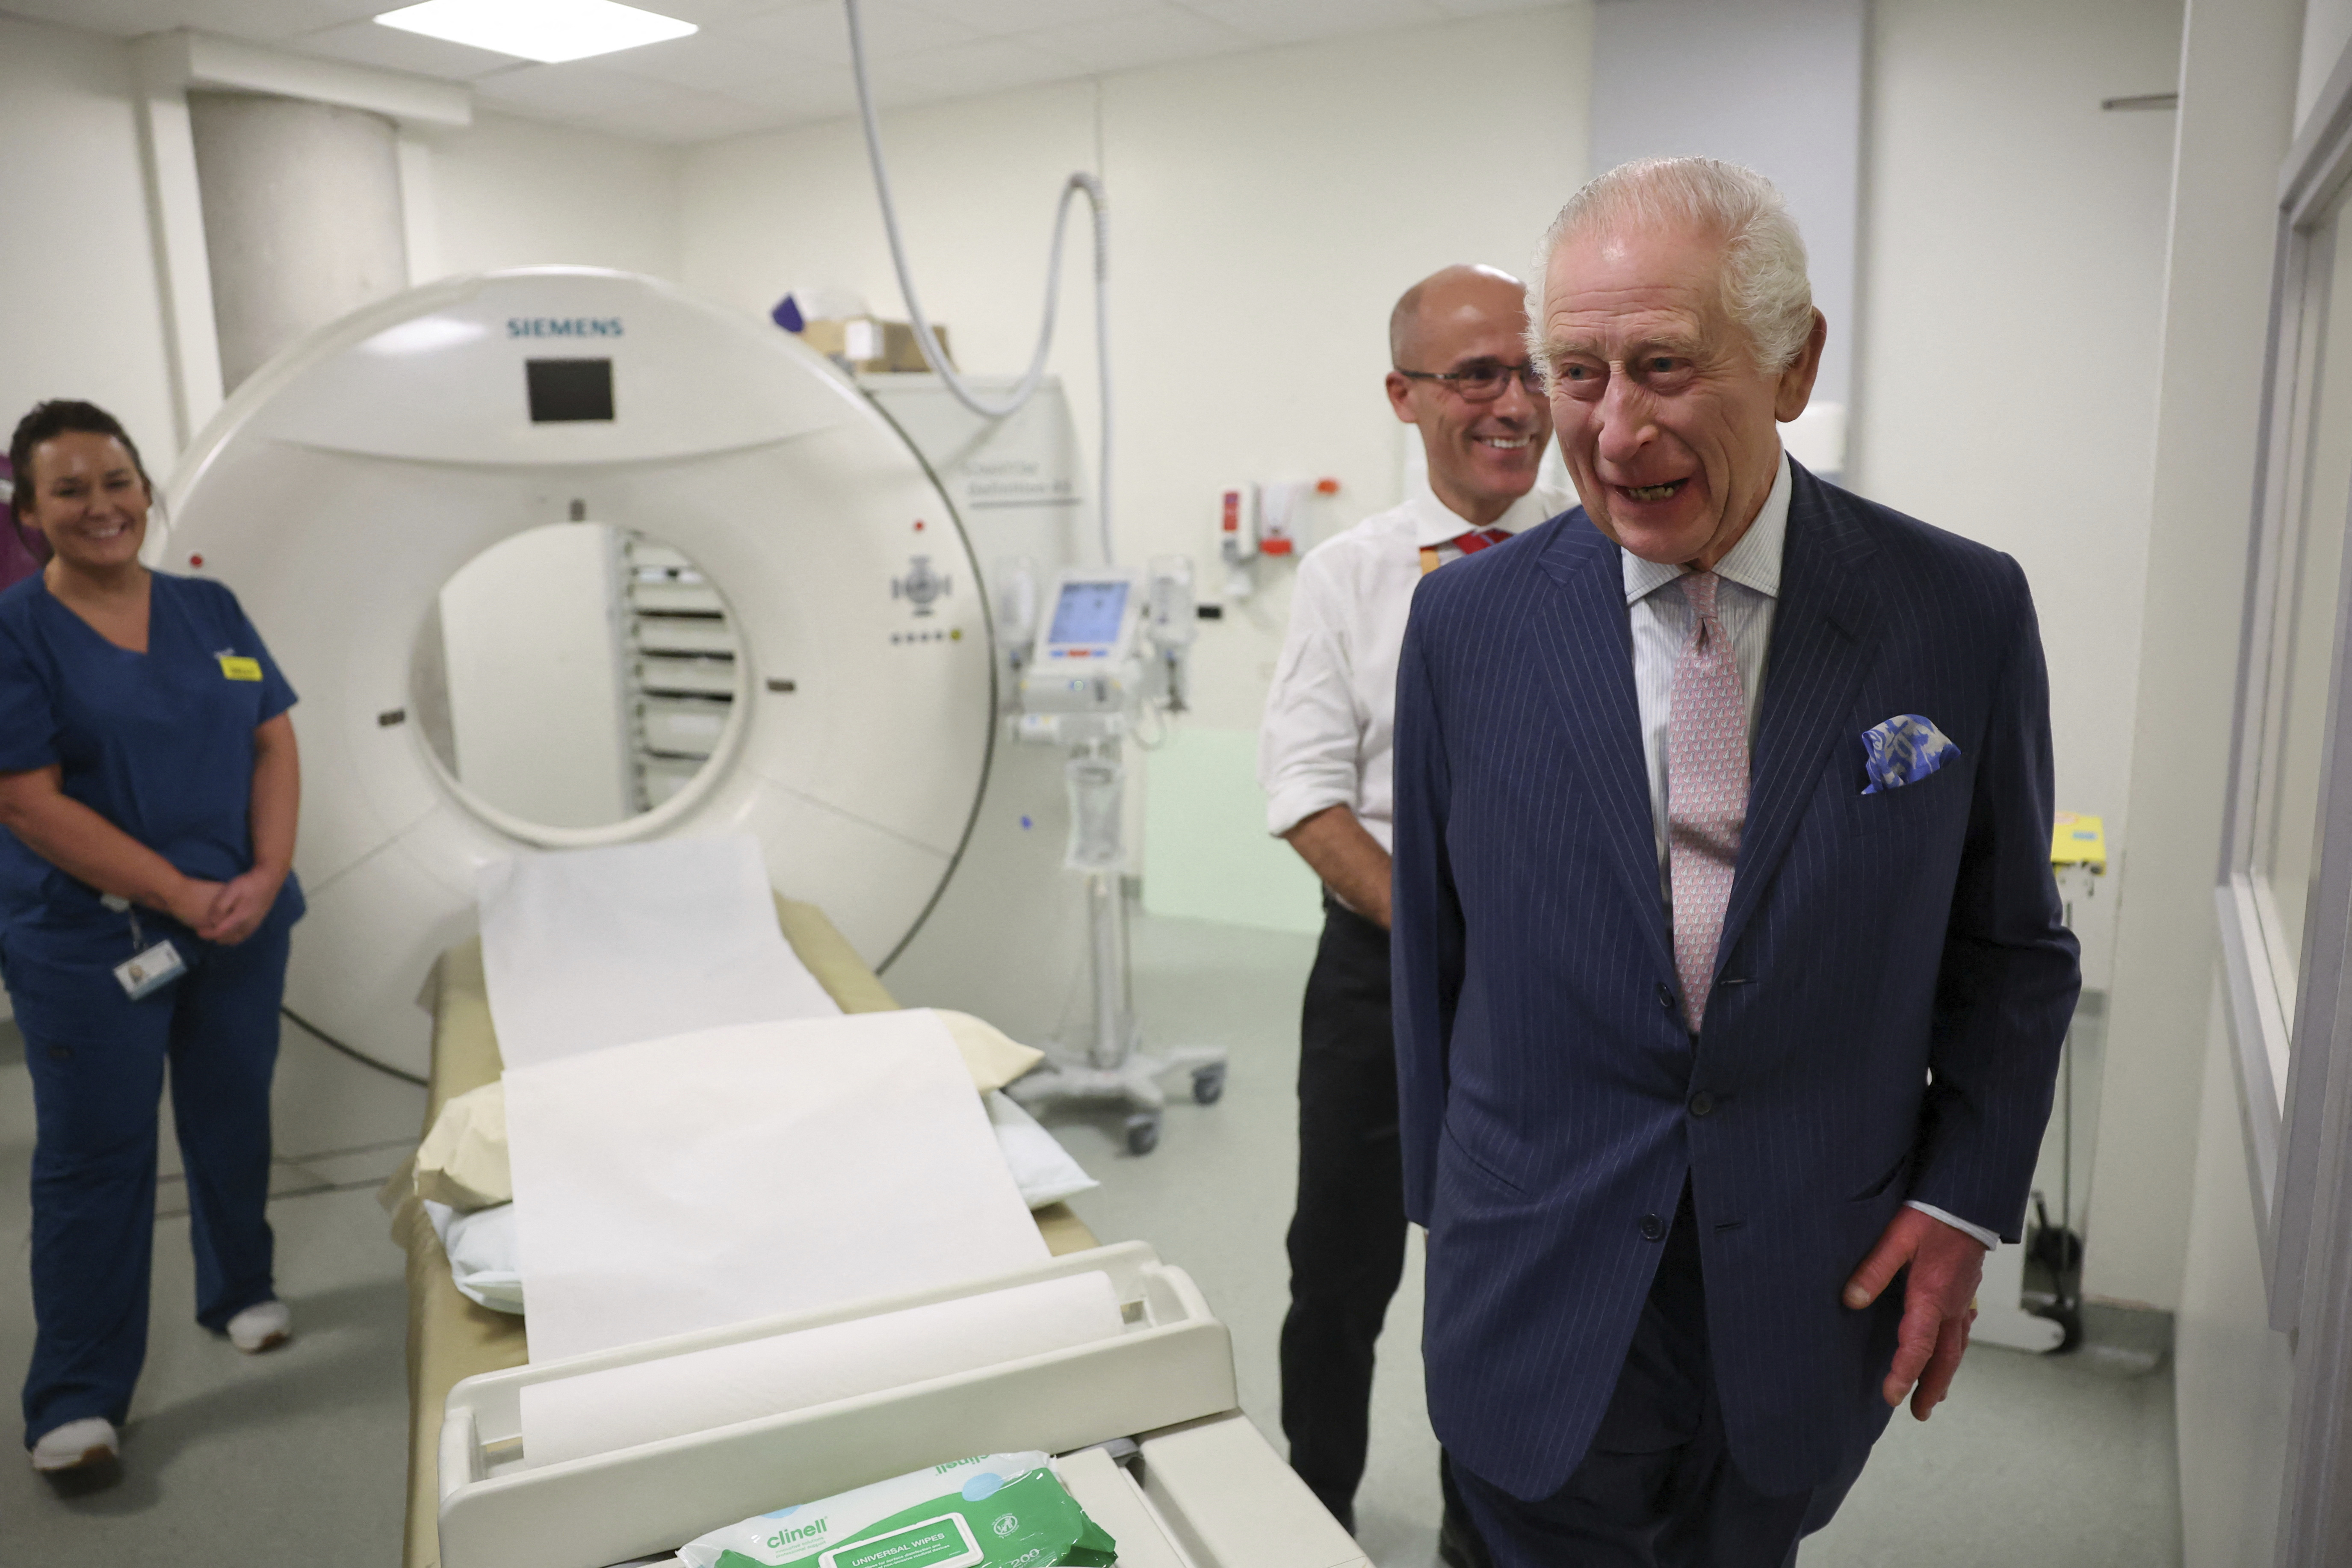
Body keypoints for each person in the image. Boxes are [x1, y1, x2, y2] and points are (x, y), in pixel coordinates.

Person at [1389, 159, 2080, 1566]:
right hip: (1540, 1275)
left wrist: (1962, 1199)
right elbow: (1431, 968)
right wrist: (1452, 1229)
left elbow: (2012, 950)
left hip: (1811, 1276)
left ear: (1791, 361)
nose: (1613, 427)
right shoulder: (1466, 629)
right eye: (1575, 371)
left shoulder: (1957, 610)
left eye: (1661, 366)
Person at [1259, 264, 1566, 1562]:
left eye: (1532, 369)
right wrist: (1443, 936)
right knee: (1337, 1276)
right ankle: (1311, 1515)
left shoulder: (1607, 555)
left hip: (1555, 988)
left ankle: (1480, 1539)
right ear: (1405, 397)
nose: (1513, 403)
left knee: (1508, 1286)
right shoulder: (1350, 575)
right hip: (1380, 976)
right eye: (1475, 375)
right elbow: (1306, 794)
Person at [0, 400, 307, 1482]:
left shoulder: (208, 605)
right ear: (30, 513)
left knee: (231, 1113)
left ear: (144, 487)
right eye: (71, 489)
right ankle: (77, 1397)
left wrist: (263, 875)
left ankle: (236, 1288)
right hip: (94, 939)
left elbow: (274, 741)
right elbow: (30, 805)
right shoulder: (15, 631)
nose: (102, 506)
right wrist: (180, 888)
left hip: (240, 919)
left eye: (117, 481)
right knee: (96, 1157)